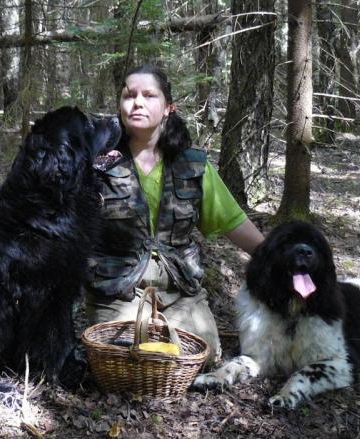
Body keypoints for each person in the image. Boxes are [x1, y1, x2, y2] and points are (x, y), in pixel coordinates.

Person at [85, 64, 264, 363]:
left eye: (149, 95)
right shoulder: (97, 164)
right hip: (118, 293)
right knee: (129, 356)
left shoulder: (192, 166)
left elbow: (233, 222)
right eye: (129, 95)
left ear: (168, 107)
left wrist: (277, 256)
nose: (138, 102)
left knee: (202, 355)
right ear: (119, 105)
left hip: (181, 291)